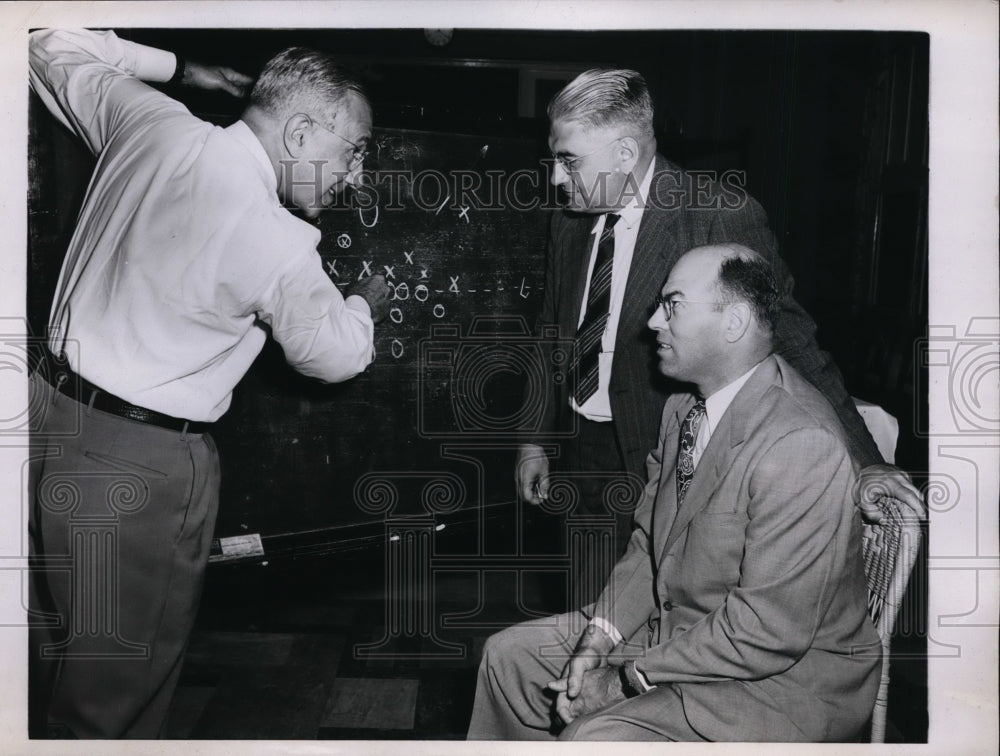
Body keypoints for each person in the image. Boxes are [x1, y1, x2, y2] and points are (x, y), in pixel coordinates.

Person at [27, 29, 389, 738]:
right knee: (115, 696)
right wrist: (362, 305)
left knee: (53, 659)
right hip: (140, 471)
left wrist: (185, 70)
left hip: (42, 424)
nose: (356, 173)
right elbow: (335, 357)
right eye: (353, 150)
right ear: (302, 130)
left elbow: (46, 44)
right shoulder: (276, 236)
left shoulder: (149, 122)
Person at [515, 69, 924, 586]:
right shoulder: (570, 217)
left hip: (668, 462)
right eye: (555, 159)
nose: (555, 177)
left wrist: (866, 459)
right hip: (580, 454)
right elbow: (550, 329)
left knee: (664, 629)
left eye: (569, 160)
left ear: (624, 153)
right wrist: (534, 440)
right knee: (591, 623)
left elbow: (794, 342)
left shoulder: (716, 216)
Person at [470, 244, 882, 741]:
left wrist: (626, 679)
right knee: (508, 659)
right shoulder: (684, 407)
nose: (652, 323)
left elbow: (766, 633)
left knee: (593, 739)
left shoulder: (799, 444)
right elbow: (650, 543)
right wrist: (600, 636)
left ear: (734, 323)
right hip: (687, 632)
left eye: (673, 305)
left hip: (779, 684)